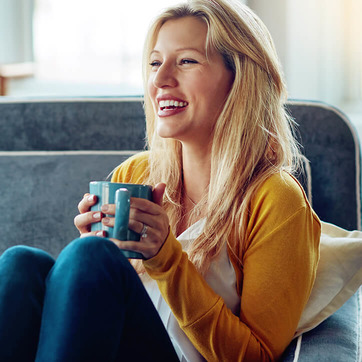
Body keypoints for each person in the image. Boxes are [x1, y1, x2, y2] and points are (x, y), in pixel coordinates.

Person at [0, 0, 321, 361]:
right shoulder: (135, 175)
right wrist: (90, 268)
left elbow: (257, 357)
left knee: (89, 256)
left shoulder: (275, 199)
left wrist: (165, 258)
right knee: (20, 265)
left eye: (186, 61)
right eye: (155, 63)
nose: (161, 79)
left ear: (240, 78)